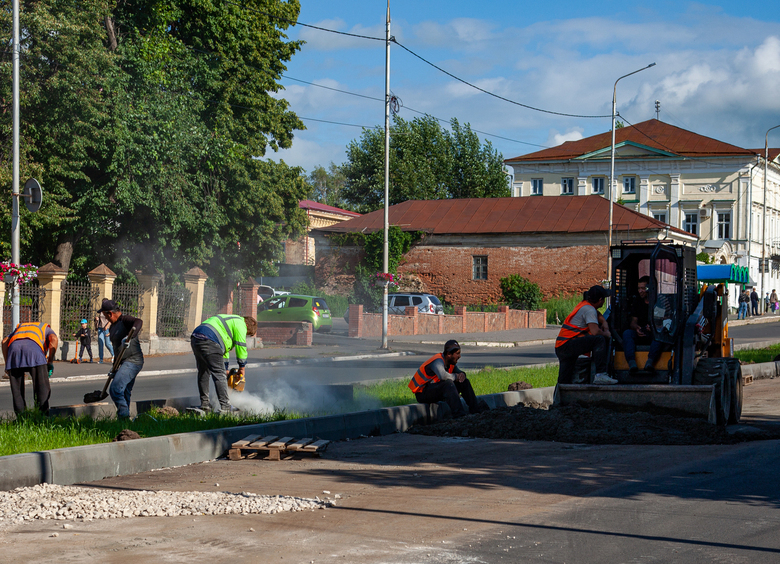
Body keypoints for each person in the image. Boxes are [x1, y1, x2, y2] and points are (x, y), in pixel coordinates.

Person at [190, 313, 257, 413]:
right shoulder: (241, 324)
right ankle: (226, 406)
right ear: (247, 326)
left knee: (204, 372)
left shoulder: (231, 320)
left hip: (196, 337)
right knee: (219, 374)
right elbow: (241, 346)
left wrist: (225, 368)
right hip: (210, 339)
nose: (245, 335)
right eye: (247, 334)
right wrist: (242, 367)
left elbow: (222, 350)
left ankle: (204, 405)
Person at [408, 340, 487, 418]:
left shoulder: (450, 363)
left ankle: (476, 411)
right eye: (457, 353)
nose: (459, 356)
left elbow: (458, 372)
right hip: (422, 393)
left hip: (435, 389)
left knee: (464, 382)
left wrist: (462, 374)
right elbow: (442, 375)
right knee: (448, 384)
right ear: (449, 354)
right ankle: (459, 416)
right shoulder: (437, 361)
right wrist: (456, 377)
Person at [555, 285, 616, 385]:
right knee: (599, 339)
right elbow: (595, 331)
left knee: (565, 378)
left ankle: (559, 399)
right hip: (568, 345)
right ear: (600, 300)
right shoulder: (589, 310)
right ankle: (600, 374)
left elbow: (596, 313)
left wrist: (604, 321)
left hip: (562, 345)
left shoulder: (585, 305)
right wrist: (607, 334)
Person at [97, 298, 144, 419]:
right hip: (122, 362)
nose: (105, 319)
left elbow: (138, 322)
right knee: (124, 392)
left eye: (105, 316)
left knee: (115, 389)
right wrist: (114, 369)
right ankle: (124, 422)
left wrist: (129, 337)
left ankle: (123, 415)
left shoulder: (124, 320)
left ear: (110, 314)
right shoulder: (112, 327)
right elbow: (117, 350)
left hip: (133, 360)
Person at [2, 321, 58, 416]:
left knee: (17, 390)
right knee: (41, 386)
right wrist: (50, 361)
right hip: (34, 353)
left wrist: (8, 363)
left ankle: (21, 417)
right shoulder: (45, 328)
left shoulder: (20, 327)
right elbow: (54, 339)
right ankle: (42, 416)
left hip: (14, 352)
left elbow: (4, 341)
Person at [622, 276, 664, 373]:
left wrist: (654, 327)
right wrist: (636, 327)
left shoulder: (660, 301)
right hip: (641, 332)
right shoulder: (637, 301)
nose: (640, 291)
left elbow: (663, 320)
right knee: (627, 334)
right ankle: (632, 363)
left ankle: (650, 362)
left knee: (660, 335)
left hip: (655, 333)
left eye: (643, 288)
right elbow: (633, 321)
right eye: (639, 288)